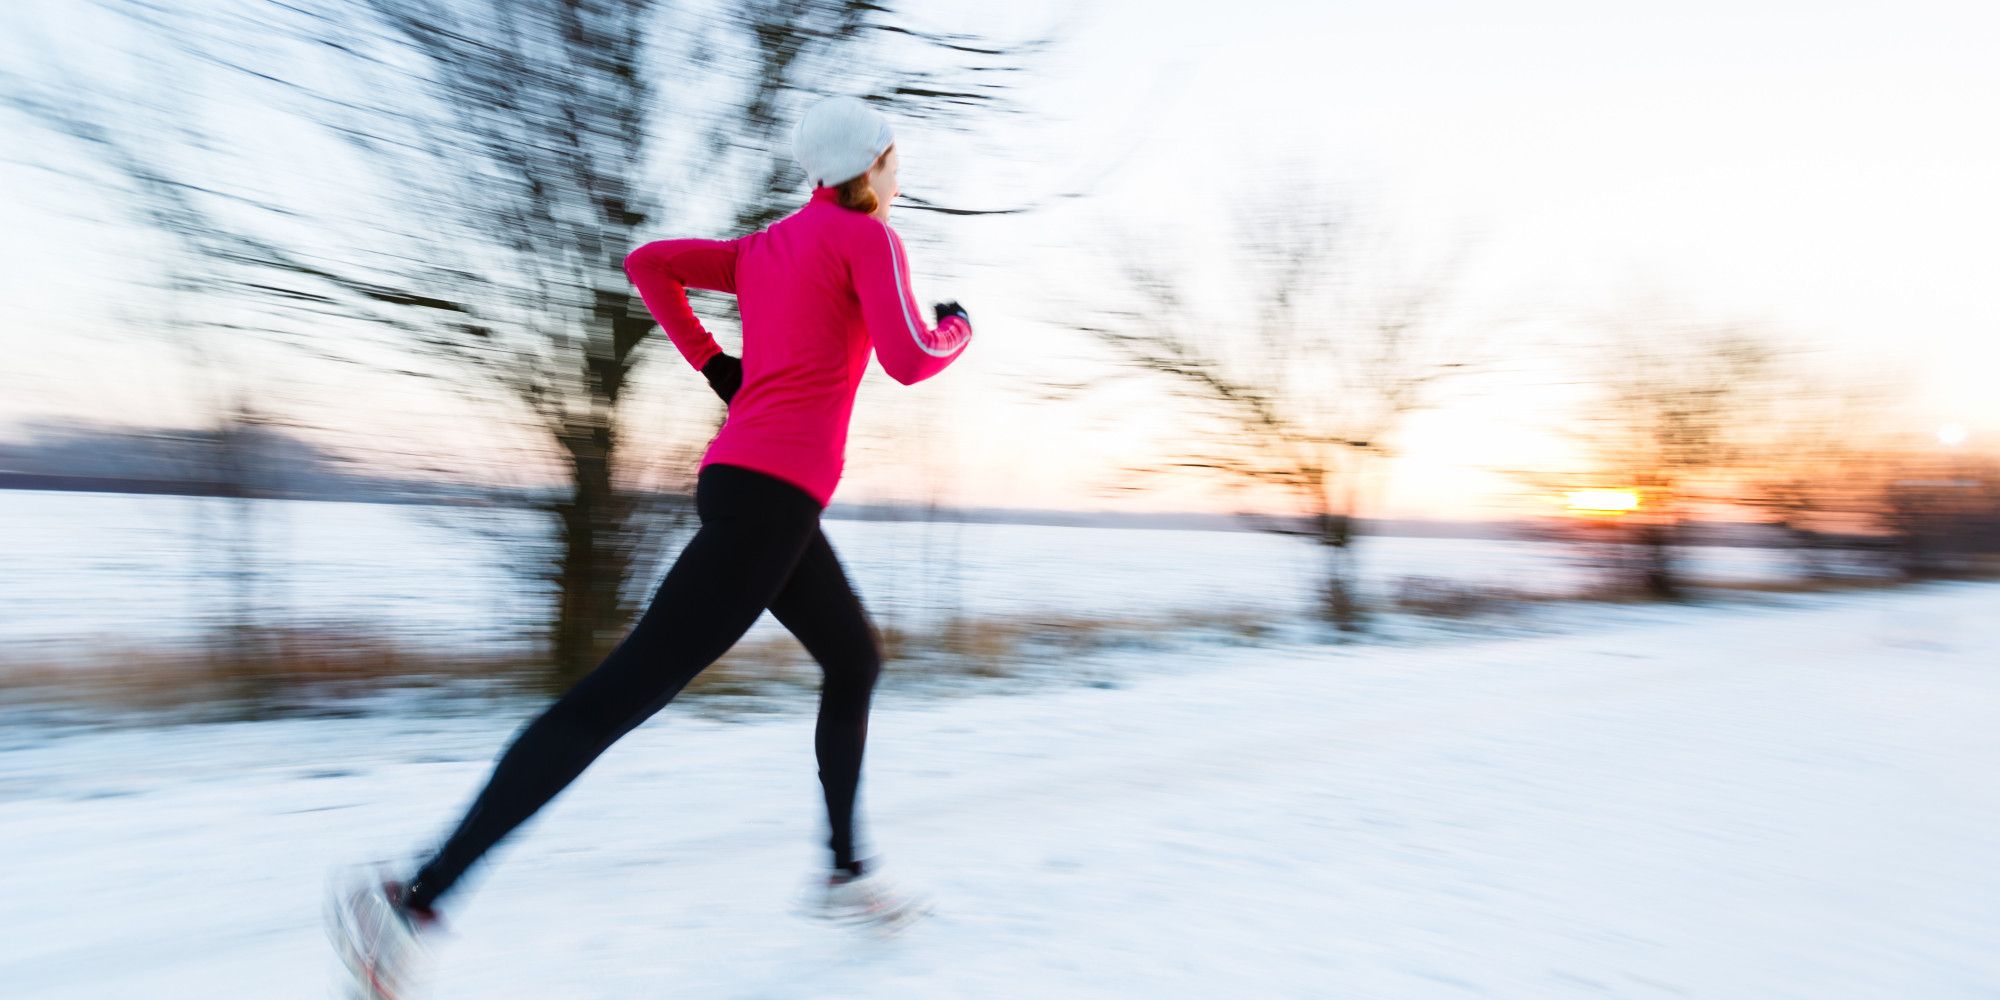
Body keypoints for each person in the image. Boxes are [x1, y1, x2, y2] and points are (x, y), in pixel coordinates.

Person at [329, 95, 973, 997]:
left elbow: (649, 263)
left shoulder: (765, 248)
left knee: (854, 658)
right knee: (614, 700)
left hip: (753, 490)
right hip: (768, 506)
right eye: (895, 160)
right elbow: (909, 358)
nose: (899, 175)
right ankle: (415, 896)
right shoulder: (867, 240)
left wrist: (716, 366)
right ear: (870, 168)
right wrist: (956, 329)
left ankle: (843, 872)